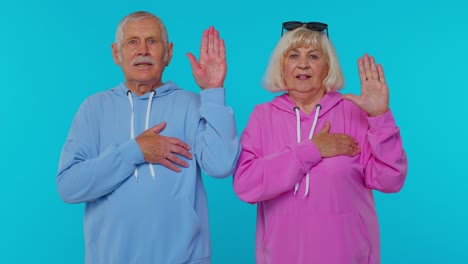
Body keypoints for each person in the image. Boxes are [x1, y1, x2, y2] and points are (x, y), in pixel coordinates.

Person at [57, 11, 240, 264]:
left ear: (168, 53)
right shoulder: (93, 108)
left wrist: (213, 91)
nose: (142, 50)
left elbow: (221, 166)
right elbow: (68, 186)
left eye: (152, 41)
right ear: (116, 53)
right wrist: (135, 151)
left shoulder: (193, 105)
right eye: (132, 42)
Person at [233, 21, 407, 264]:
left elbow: (390, 179)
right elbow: (246, 185)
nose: (303, 64)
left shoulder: (351, 112)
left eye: (313, 56)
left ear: (328, 67)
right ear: (281, 65)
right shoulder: (263, 116)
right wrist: (312, 150)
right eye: (293, 55)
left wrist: (380, 117)